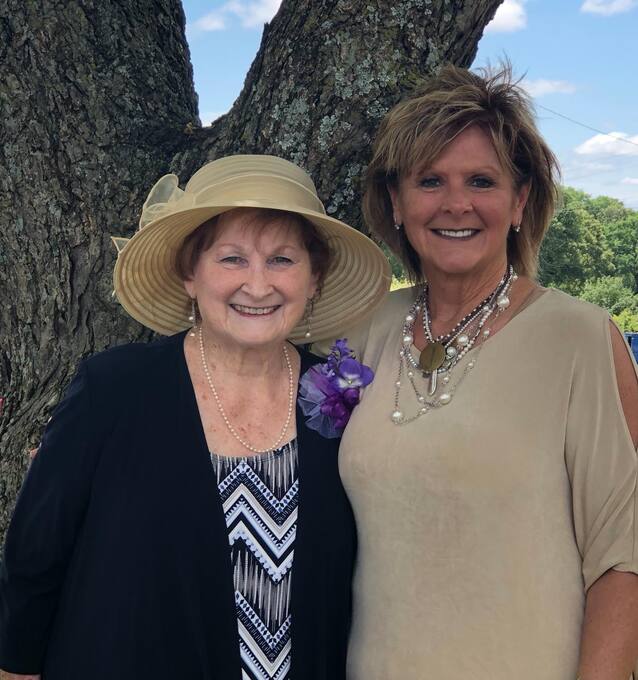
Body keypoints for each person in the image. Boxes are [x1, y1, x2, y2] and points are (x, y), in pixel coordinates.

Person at [0, 155, 391, 680]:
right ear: (190, 274)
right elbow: (36, 554)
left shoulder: (340, 394)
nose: (258, 285)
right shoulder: (113, 388)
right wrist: (15, 667)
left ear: (314, 278)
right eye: (232, 259)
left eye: (282, 260)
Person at [335, 65, 638, 679]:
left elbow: (624, 559)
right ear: (396, 202)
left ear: (519, 200)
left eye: (481, 180)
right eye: (430, 181)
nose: (456, 204)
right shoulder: (364, 330)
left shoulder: (578, 336)